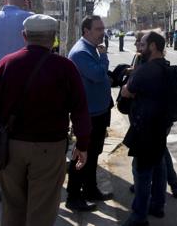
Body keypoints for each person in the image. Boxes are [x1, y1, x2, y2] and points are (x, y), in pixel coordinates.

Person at [0, 14, 91, 226]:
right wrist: (83, 144)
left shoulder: (6, 63)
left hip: (12, 147)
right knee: (42, 209)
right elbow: (80, 108)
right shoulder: (64, 67)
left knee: (12, 206)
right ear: (53, 38)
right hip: (50, 148)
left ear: (24, 36)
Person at [120, 32, 173, 226]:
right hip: (161, 127)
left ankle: (138, 217)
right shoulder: (167, 68)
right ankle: (158, 206)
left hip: (145, 129)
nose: (139, 47)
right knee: (159, 167)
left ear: (152, 46)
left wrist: (129, 86)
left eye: (142, 44)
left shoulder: (144, 70)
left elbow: (126, 91)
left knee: (141, 173)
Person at [65, 15, 114, 212]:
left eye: (103, 28)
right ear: (86, 31)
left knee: (93, 155)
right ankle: (73, 196)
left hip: (98, 111)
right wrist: (104, 57)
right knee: (82, 154)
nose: (102, 32)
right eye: (98, 29)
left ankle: (90, 189)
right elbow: (97, 75)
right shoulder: (81, 52)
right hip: (88, 114)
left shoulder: (90, 48)